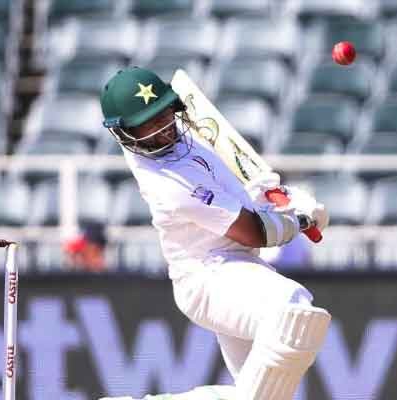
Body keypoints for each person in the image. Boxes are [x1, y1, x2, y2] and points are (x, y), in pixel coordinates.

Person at [100, 67, 331, 400]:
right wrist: (300, 219)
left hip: (238, 264)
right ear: (125, 133)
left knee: (264, 395)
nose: (163, 128)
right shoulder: (167, 183)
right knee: (292, 310)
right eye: (148, 124)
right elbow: (253, 232)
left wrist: (272, 194)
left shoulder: (181, 133)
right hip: (208, 275)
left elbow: (239, 185)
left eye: (163, 113)